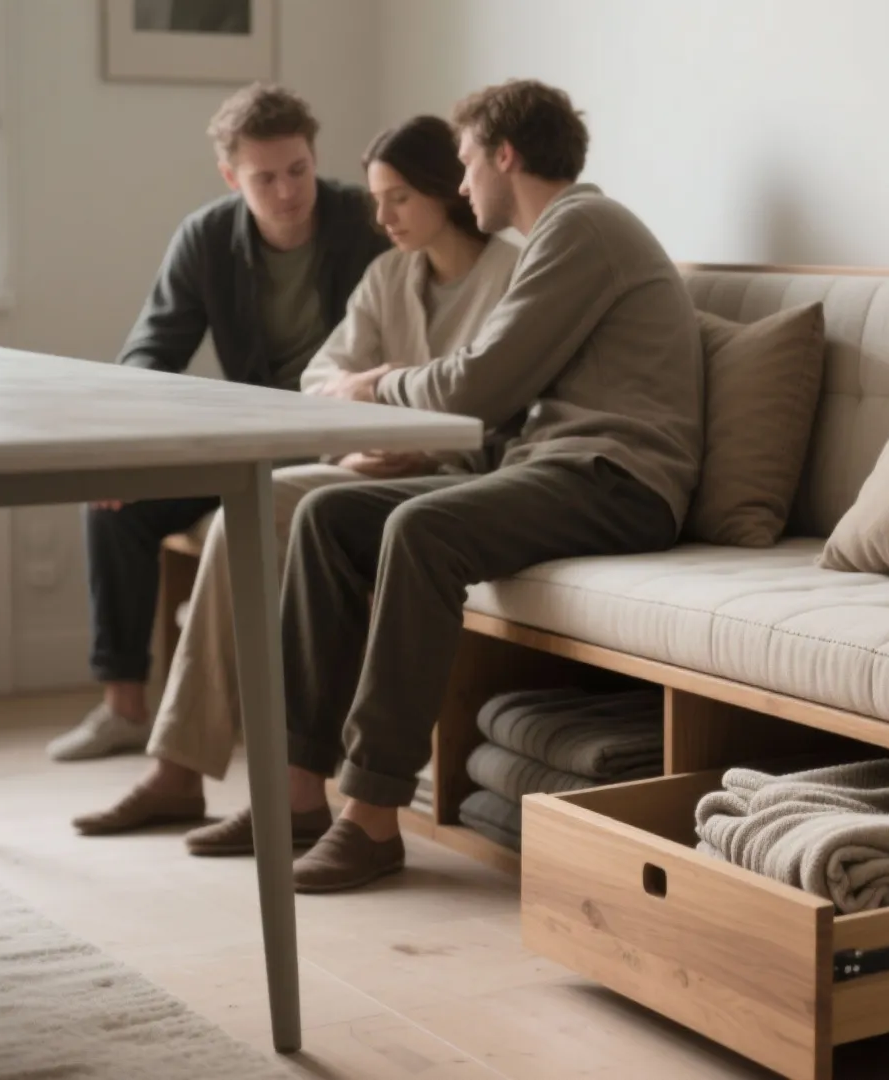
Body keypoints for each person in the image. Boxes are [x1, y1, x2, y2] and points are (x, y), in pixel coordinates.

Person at [191, 78, 704, 894]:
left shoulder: (584, 227)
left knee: (420, 532)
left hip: (617, 481)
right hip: (551, 468)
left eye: (466, 163)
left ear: (505, 155)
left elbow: (479, 384)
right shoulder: (559, 237)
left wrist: (376, 385)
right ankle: (294, 796)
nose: (461, 185)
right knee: (329, 515)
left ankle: (370, 818)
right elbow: (507, 395)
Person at [71, 115, 522, 843]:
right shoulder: (389, 273)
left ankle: (261, 789)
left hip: (459, 476)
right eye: (378, 199)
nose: (381, 218)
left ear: (445, 188)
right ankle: (181, 771)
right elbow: (321, 377)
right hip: (356, 465)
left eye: (398, 199)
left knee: (268, 511)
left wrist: (383, 401)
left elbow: (502, 401)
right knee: (237, 516)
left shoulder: (511, 273)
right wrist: (354, 450)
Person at [48, 83, 390, 763]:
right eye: (266, 178)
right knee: (114, 505)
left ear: (313, 156)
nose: (289, 192)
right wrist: (124, 446)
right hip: (249, 442)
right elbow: (151, 353)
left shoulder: (362, 223)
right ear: (232, 177)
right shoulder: (206, 238)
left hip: (339, 443)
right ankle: (124, 708)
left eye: (299, 170)